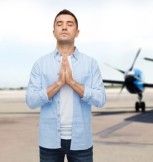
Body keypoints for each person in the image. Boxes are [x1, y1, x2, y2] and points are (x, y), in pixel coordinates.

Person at [26, 9, 106, 162]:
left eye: (69, 24)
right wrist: (58, 84)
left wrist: (72, 83)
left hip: (81, 141)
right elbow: (31, 101)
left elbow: (101, 99)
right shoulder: (40, 64)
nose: (64, 27)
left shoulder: (90, 64)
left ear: (77, 32)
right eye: (59, 24)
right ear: (54, 31)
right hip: (49, 141)